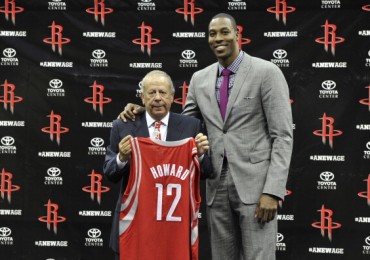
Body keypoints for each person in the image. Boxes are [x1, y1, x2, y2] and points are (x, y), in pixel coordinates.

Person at [120, 13, 293, 260]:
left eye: (224, 32)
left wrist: (273, 191)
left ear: (237, 35)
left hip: (256, 188)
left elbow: (283, 136)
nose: (218, 38)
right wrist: (146, 111)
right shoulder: (200, 79)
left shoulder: (267, 72)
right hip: (215, 185)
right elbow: (181, 126)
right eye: (212, 34)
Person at [103, 70, 212, 260]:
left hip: (174, 228)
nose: (158, 98)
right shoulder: (123, 125)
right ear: (142, 97)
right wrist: (122, 157)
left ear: (172, 97)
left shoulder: (191, 126)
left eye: (162, 92)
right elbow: (110, 173)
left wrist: (200, 156)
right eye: (151, 93)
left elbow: (207, 172)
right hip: (135, 223)